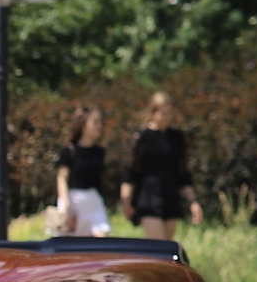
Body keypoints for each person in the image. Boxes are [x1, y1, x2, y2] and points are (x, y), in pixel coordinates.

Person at [121, 91, 203, 238]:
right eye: (162, 113)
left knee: (167, 248)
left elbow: (183, 173)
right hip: (148, 197)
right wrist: (126, 201)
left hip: (170, 195)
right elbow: (131, 172)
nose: (166, 117)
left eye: (169, 113)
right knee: (158, 246)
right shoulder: (143, 138)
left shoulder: (176, 138)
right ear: (153, 112)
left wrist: (193, 202)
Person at [54, 107, 112, 238]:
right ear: (83, 126)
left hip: (93, 201)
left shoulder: (99, 152)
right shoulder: (69, 151)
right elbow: (62, 178)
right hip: (73, 201)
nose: (99, 126)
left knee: (102, 243)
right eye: (95, 122)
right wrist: (67, 206)